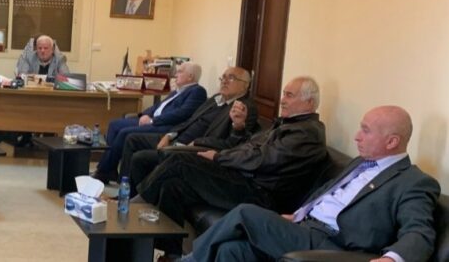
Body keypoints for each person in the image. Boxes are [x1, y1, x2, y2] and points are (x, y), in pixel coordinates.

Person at [182, 105, 441, 262]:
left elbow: (419, 232)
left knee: (245, 213)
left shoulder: (414, 182)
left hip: (333, 246)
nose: (356, 136)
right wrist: (298, 214)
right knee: (231, 251)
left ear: (392, 142)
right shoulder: (360, 163)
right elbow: (327, 195)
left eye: (366, 130)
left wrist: (392, 258)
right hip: (305, 228)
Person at [134, 76, 328, 228]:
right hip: (243, 179)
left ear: (309, 103)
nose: (282, 100)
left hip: (260, 193)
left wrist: (219, 157)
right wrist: (239, 128)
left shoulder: (306, 133)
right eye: (284, 94)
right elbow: (249, 147)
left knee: (180, 160)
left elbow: (262, 159)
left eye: (289, 96)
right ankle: (170, 253)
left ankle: (134, 207)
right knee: (172, 186)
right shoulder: (288, 124)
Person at [121, 67, 257, 179]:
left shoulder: (243, 108)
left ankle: (134, 197)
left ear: (245, 85)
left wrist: (198, 142)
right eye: (223, 77)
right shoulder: (216, 98)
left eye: (231, 78)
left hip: (193, 150)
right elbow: (190, 120)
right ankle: (123, 186)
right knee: (132, 139)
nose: (225, 81)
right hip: (178, 138)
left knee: (140, 158)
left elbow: (232, 144)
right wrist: (169, 135)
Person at [91, 62, 207, 183]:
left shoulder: (197, 91)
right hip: (153, 121)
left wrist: (152, 120)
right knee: (114, 125)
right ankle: (110, 168)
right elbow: (158, 106)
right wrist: (144, 115)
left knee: (124, 133)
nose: (176, 74)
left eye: (180, 71)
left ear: (190, 76)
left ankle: (105, 170)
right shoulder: (177, 91)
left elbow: (181, 114)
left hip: (165, 126)